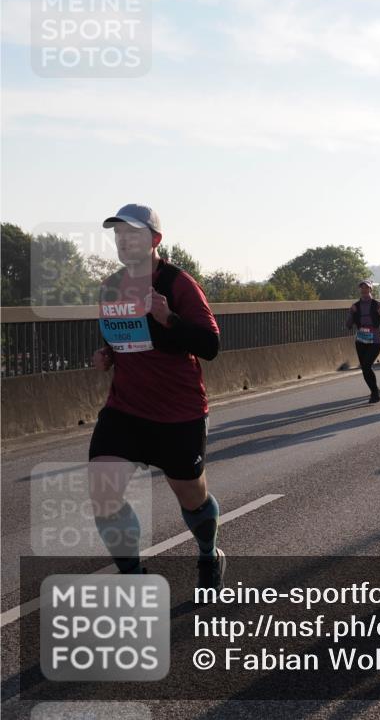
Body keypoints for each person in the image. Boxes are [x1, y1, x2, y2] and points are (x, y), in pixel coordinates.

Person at [88, 204, 224, 589]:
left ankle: (208, 554)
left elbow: (210, 345)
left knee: (193, 500)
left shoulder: (179, 284)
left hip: (178, 413)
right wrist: (108, 355)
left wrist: (170, 319)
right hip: (125, 409)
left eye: (132, 233)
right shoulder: (110, 286)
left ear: (155, 240)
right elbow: (122, 335)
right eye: (118, 234)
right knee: (103, 491)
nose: (123, 241)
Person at [346, 280, 380, 402]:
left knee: (366, 365)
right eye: (362, 288)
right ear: (360, 290)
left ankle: (375, 394)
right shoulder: (355, 306)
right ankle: (375, 389)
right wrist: (351, 313)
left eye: (367, 288)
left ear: (371, 290)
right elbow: (348, 325)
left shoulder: (378, 304)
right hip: (361, 339)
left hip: (375, 340)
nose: (364, 290)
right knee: (365, 367)